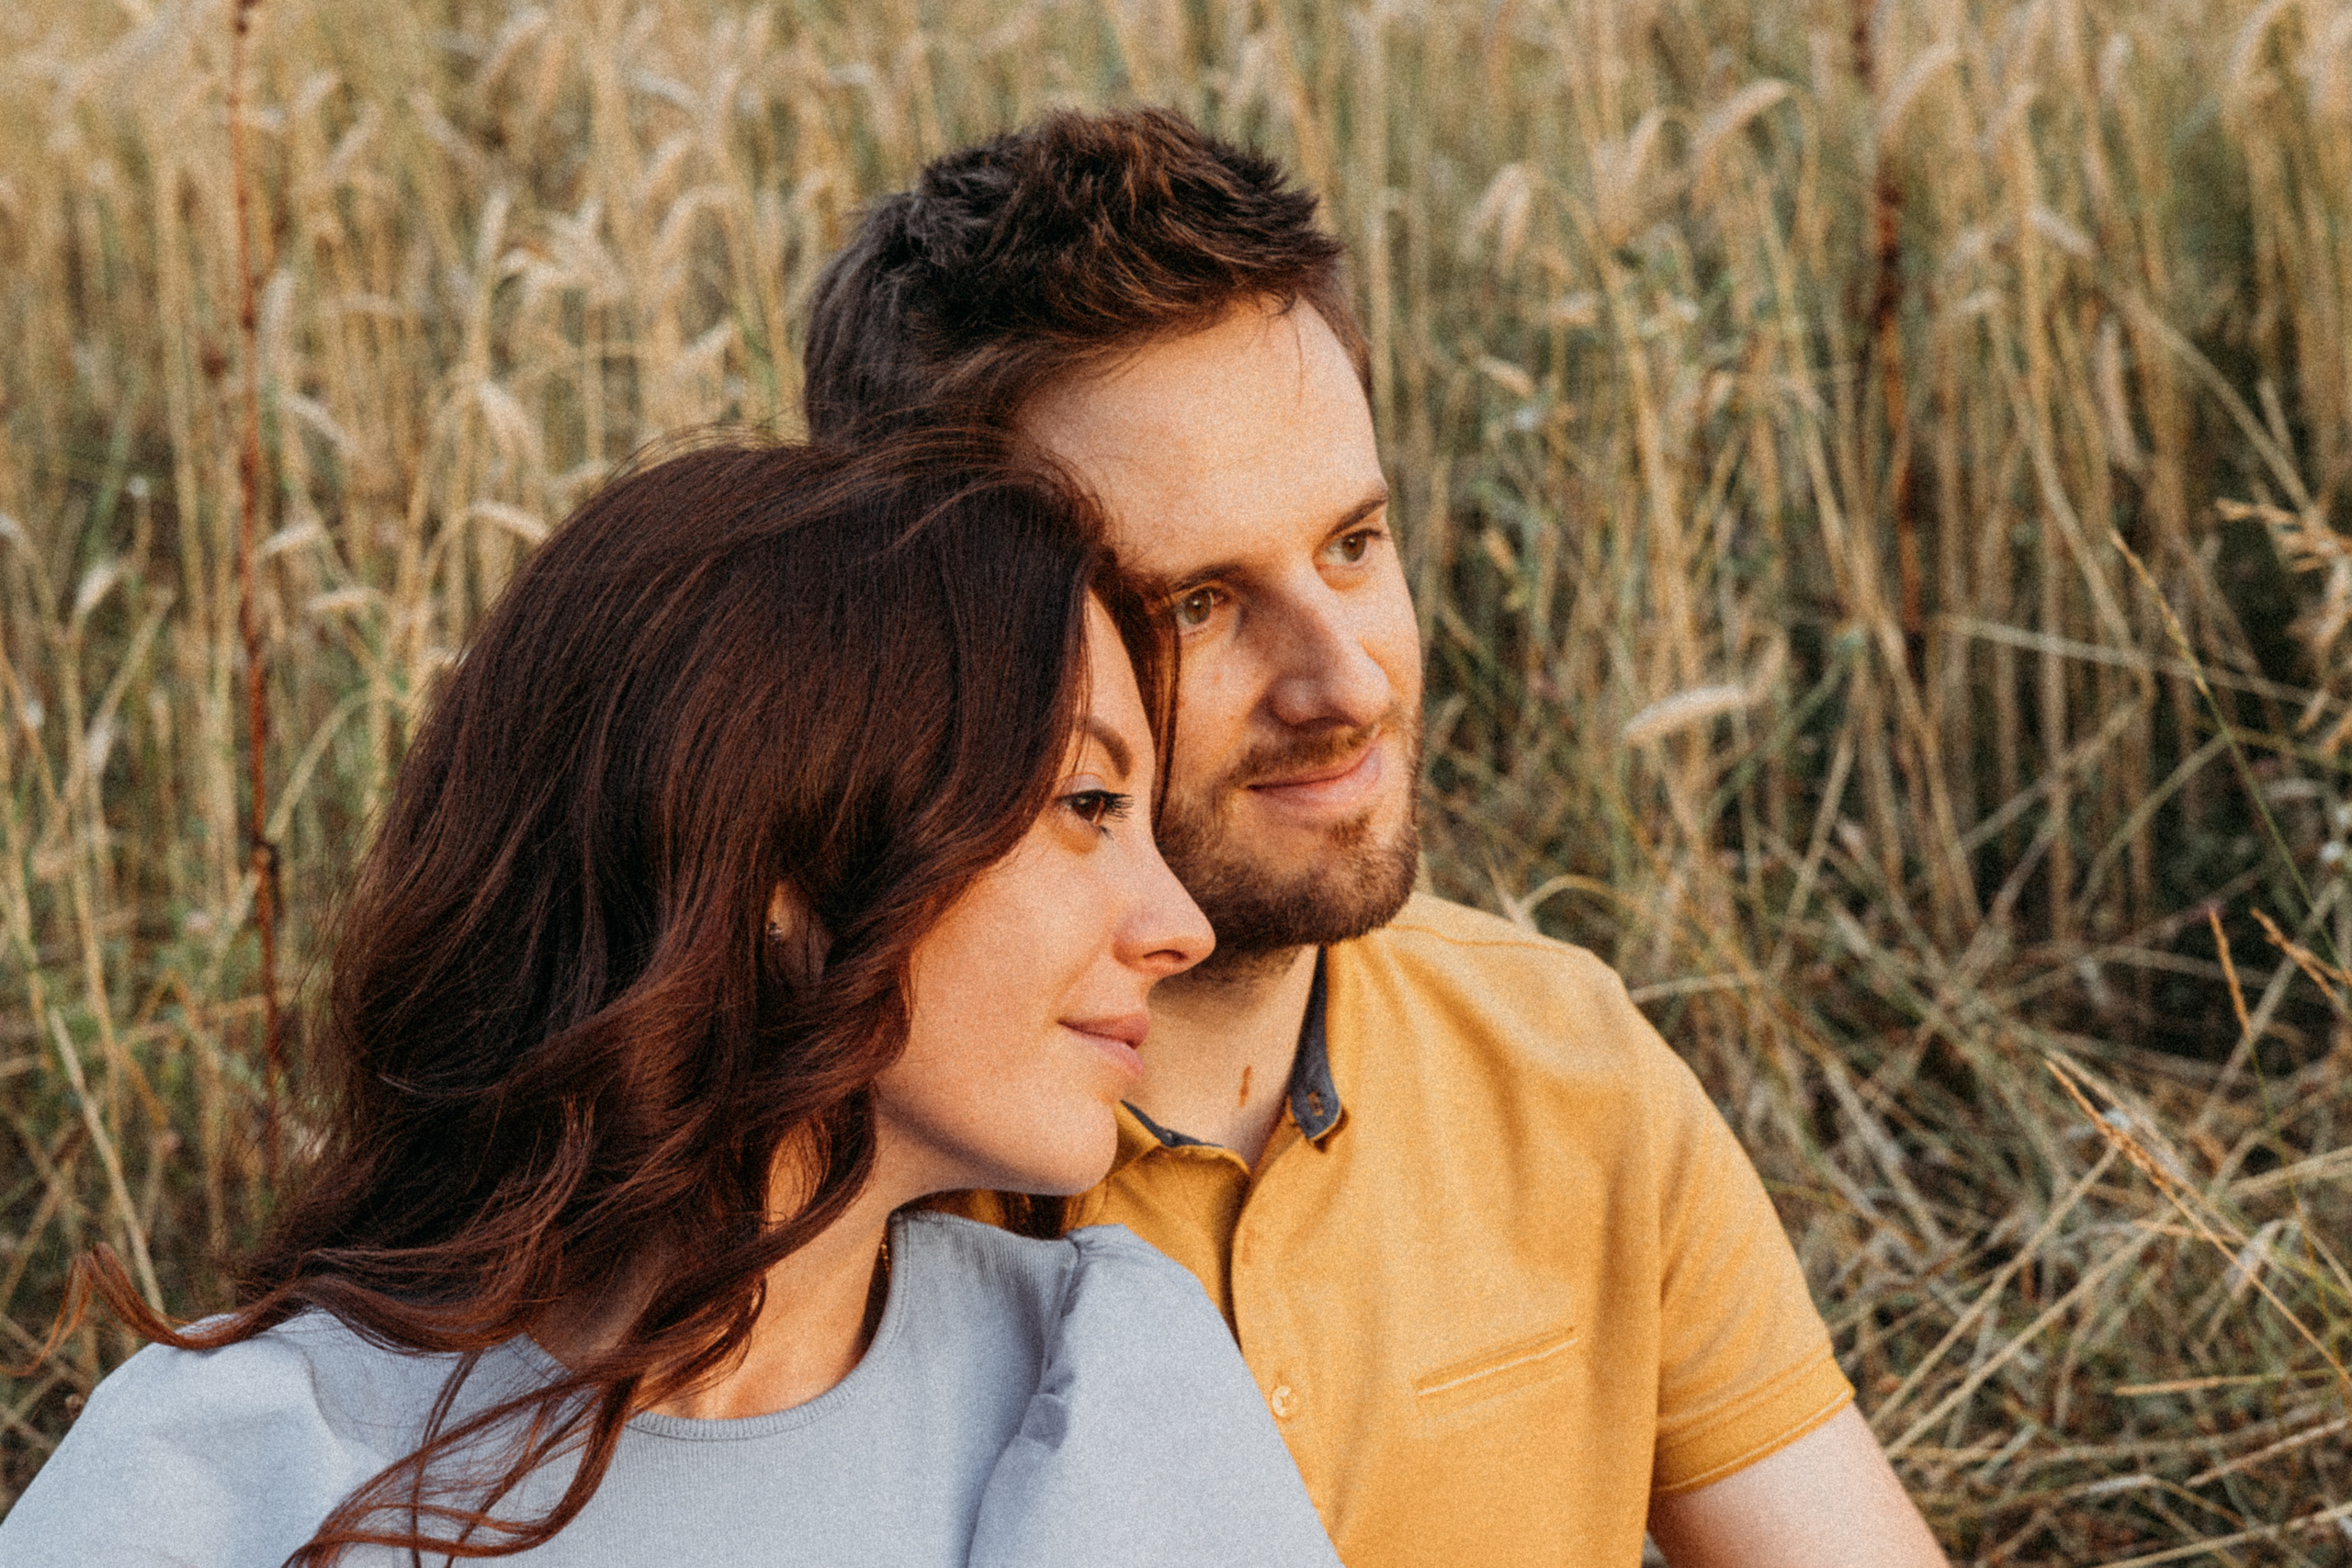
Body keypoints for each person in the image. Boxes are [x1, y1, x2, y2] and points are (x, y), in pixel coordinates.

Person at [802, 109, 1951, 1567]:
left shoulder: (1563, 1070)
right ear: (940, 642)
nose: (1344, 684)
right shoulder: (819, 1172)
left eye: (1353, 544)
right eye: (1197, 603)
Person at [0, 435, 1344, 1567]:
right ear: (777, 860)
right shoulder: (231, 1472)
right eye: (1087, 804)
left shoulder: (1105, 1383)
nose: (1179, 927)